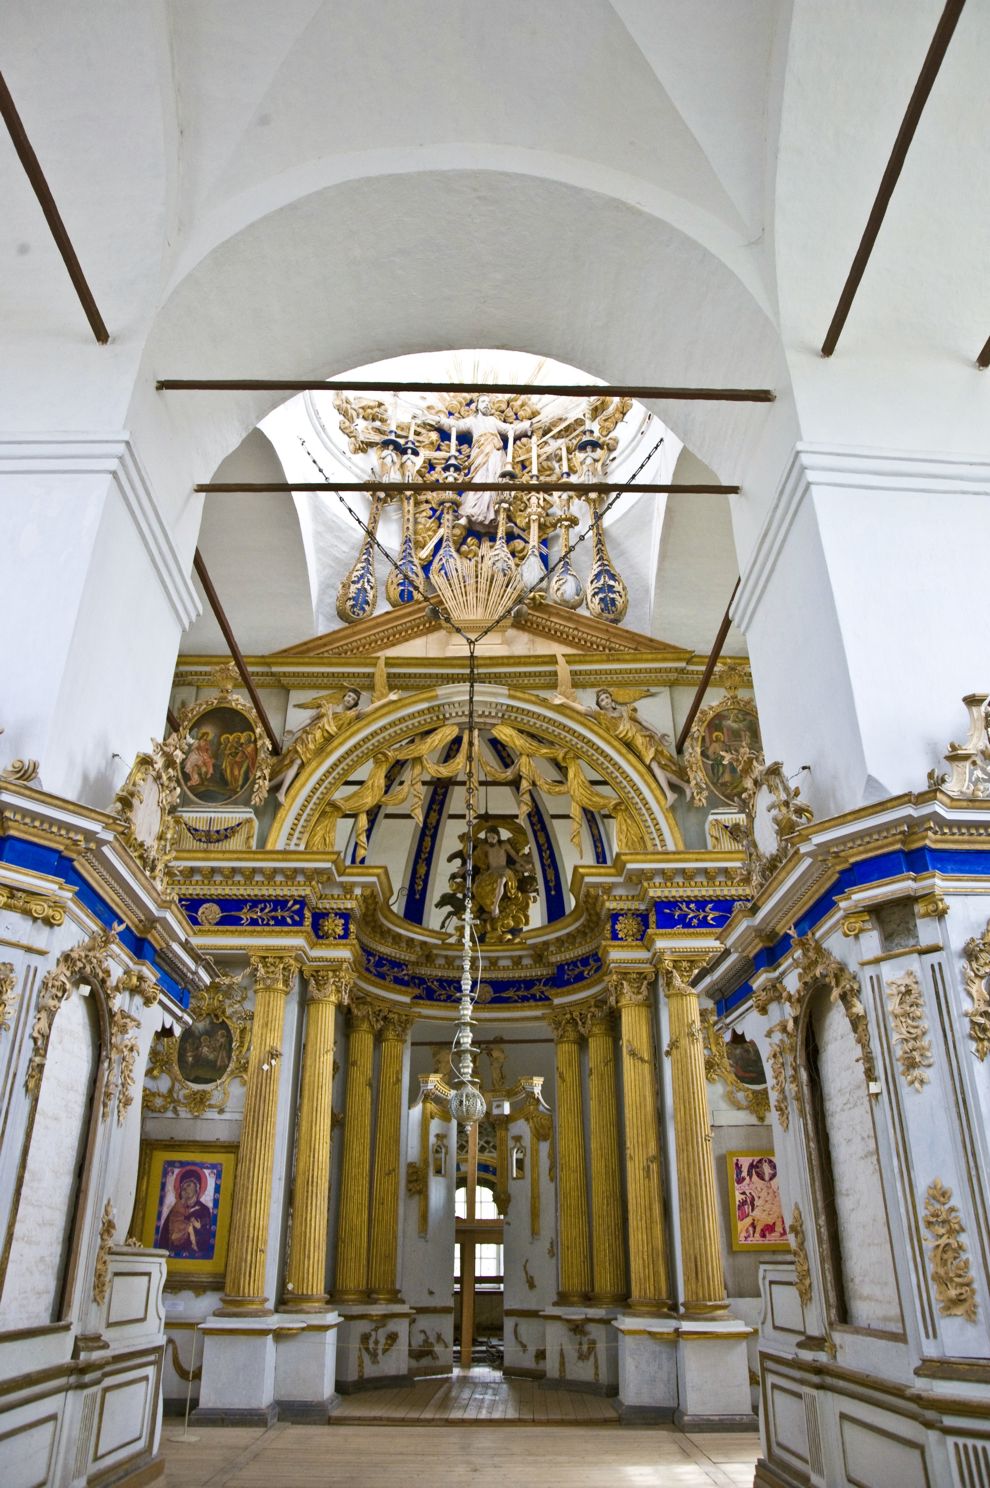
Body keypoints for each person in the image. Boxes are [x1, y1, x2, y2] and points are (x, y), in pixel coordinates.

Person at [432, 397, 533, 529]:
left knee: (495, 481)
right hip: (480, 453)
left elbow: (510, 429)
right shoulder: (472, 421)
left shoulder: (492, 420)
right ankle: (468, 515)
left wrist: (527, 426)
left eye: (488, 402)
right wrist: (438, 421)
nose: (487, 404)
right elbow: (455, 426)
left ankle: (496, 516)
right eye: (484, 402)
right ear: (477, 406)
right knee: (478, 481)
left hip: (496, 453)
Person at [156, 1167, 214, 1258]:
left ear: (197, 1188)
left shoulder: (203, 1210)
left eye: (189, 1185)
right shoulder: (175, 1209)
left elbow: (206, 1235)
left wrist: (198, 1228)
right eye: (183, 1186)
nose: (185, 1189)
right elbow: (165, 1237)